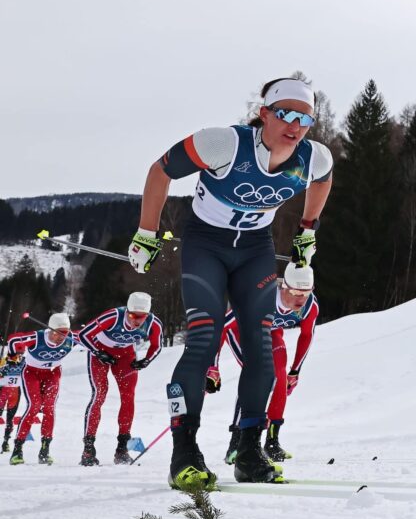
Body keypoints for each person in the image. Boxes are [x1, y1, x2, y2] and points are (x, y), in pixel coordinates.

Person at [130, 77, 333, 489]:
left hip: (255, 249)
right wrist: (146, 232)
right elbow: (160, 170)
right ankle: (184, 451)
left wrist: (308, 227)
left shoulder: (313, 158)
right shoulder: (224, 144)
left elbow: (323, 180)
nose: (294, 126)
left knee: (261, 345)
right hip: (206, 244)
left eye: (305, 118)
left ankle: (249, 450)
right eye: (285, 114)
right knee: (203, 340)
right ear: (264, 115)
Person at [207, 262, 320, 464]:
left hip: (270, 333)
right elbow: (222, 327)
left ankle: (272, 441)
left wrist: (295, 371)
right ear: (284, 287)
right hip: (242, 332)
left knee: (280, 376)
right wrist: (212, 366)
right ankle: (236, 442)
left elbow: (307, 335)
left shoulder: (310, 305)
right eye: (295, 291)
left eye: (306, 292)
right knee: (257, 376)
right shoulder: (262, 298)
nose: (300, 298)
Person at [77, 291, 163, 465]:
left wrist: (145, 360)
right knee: (99, 394)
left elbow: (157, 346)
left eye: (142, 317)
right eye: (132, 316)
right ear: (127, 311)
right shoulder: (114, 316)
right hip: (100, 353)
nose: (136, 321)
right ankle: (88, 449)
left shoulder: (153, 323)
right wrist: (98, 352)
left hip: (125, 355)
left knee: (128, 396)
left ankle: (122, 448)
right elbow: (83, 335)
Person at [5, 313, 78, 465]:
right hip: (32, 373)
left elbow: (91, 339)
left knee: (49, 408)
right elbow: (13, 339)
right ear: (50, 330)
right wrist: (12, 357)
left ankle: (45, 450)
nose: (63, 337)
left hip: (53, 374)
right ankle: (17, 450)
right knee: (34, 406)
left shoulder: (72, 338)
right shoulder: (37, 337)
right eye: (59, 333)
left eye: (66, 333)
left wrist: (102, 353)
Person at [1, 351, 25, 453]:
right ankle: (5, 443)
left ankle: (5, 442)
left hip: (12, 393)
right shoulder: (6, 362)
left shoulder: (22, 362)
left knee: (10, 419)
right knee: (9, 419)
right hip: (5, 392)